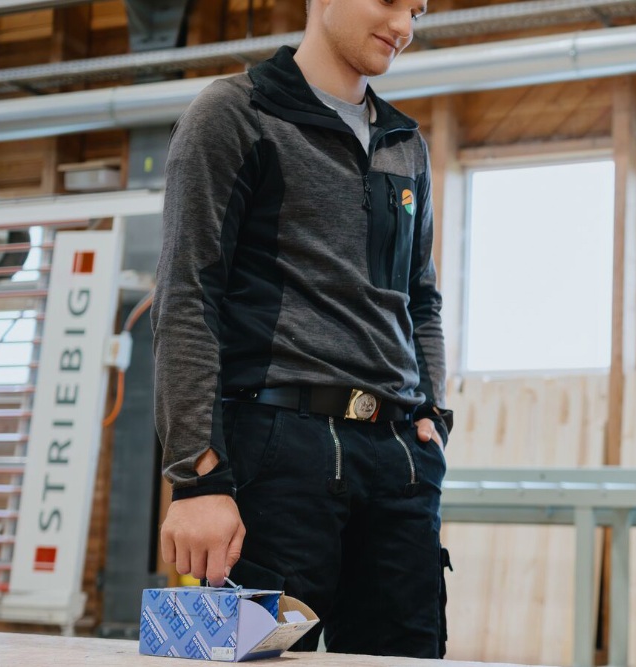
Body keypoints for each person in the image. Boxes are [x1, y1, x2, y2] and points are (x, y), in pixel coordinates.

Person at [152, 0, 451, 657]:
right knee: (257, 656)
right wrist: (199, 480)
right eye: (389, 2)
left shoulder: (405, 143)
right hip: (276, 458)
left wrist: (435, 411)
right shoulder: (234, 114)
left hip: (398, 461)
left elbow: (420, 299)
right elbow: (185, 295)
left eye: (418, 9)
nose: (404, 27)